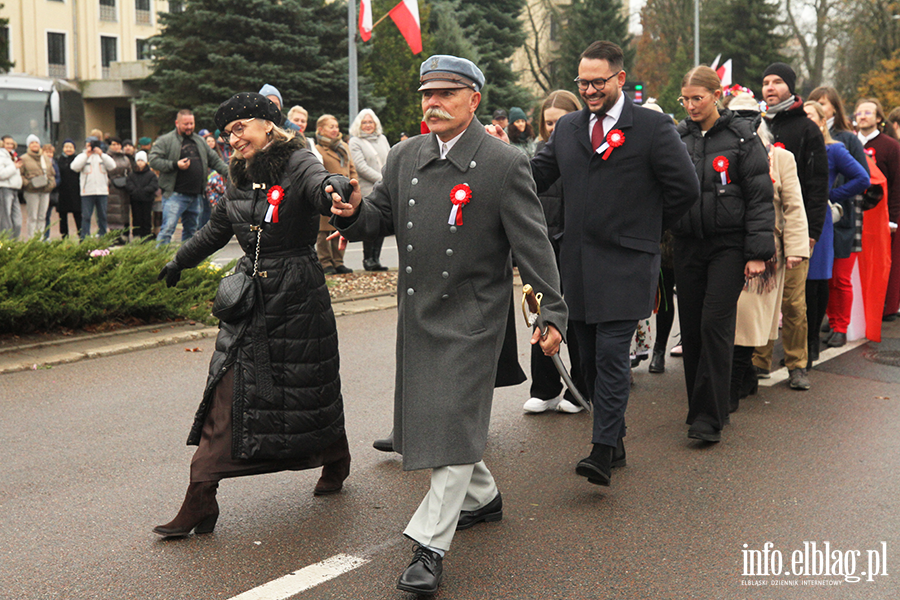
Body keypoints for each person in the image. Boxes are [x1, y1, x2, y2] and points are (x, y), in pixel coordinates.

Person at [330, 55, 566, 596]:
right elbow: (379, 219)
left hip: (475, 316)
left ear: (474, 99)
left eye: (446, 94)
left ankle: (430, 547)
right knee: (444, 420)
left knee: (455, 418)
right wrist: (350, 215)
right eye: (426, 94)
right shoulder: (404, 154)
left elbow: (534, 246)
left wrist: (553, 311)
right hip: (418, 314)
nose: (432, 103)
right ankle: (482, 496)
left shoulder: (504, 162)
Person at [153, 92, 354, 538]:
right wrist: (179, 261)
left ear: (267, 124)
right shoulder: (238, 174)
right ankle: (201, 496)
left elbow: (320, 183)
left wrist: (333, 189)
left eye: (240, 128)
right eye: (227, 134)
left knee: (309, 387)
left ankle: (335, 458)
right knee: (228, 390)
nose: (233, 139)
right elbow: (217, 227)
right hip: (249, 299)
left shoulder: (298, 159)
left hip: (298, 294)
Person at [519, 41, 699, 482]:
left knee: (613, 356)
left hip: (627, 264)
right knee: (589, 358)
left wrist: (645, 230)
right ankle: (614, 438)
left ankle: (601, 450)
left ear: (620, 78)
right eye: (583, 83)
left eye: (598, 82)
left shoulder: (655, 128)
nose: (590, 90)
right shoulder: (568, 129)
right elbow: (533, 175)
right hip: (577, 266)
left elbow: (685, 190)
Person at [671, 67, 775, 442]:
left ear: (717, 95)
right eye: (685, 99)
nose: (691, 105)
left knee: (715, 325)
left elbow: (760, 198)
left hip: (728, 247)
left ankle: (709, 419)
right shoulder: (677, 137)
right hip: (687, 244)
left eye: (697, 98)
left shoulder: (742, 138)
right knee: (694, 328)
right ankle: (700, 407)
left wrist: (758, 252)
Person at [729, 93, 809, 410]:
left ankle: (736, 381)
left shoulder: (780, 158)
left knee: (748, 320)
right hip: (728, 247)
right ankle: (743, 374)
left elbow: (794, 205)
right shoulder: (722, 152)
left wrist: (796, 248)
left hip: (765, 251)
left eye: (750, 116)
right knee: (730, 317)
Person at [753, 62, 829, 391]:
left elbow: (816, 187)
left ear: (791, 87)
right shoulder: (754, 125)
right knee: (761, 300)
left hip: (795, 233)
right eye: (766, 82)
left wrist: (810, 234)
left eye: (777, 82)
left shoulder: (807, 129)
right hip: (762, 233)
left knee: (794, 304)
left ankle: (798, 363)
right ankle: (757, 361)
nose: (770, 88)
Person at [524, 89, 586, 414]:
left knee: (575, 320)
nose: (552, 129)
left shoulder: (584, 154)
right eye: (548, 123)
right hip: (544, 248)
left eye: (559, 122)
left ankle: (580, 388)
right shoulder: (538, 155)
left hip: (575, 248)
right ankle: (545, 387)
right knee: (540, 316)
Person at [802, 101, 870, 365]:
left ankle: (812, 345)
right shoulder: (797, 147)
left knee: (817, 282)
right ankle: (799, 344)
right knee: (797, 286)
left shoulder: (834, 149)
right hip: (795, 220)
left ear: (821, 121)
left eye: (810, 116)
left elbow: (862, 179)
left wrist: (829, 196)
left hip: (821, 221)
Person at [150, 109, 229, 245]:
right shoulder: (166, 140)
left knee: (191, 233)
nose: (189, 127)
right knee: (167, 230)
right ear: (177, 123)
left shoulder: (200, 141)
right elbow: (153, 160)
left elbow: (215, 160)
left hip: (196, 195)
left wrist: (231, 174)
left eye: (191, 123)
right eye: (185, 124)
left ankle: (187, 263)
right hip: (175, 195)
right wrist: (175, 165)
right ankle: (158, 262)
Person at [855, 98, 900, 321]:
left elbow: (897, 184)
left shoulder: (891, 146)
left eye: (868, 112)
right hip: (853, 214)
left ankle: (886, 307)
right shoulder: (847, 143)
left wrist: (893, 218)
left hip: (882, 216)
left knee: (882, 263)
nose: (862, 116)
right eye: (859, 112)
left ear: (879, 118)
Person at [349, 108, 391, 271]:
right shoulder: (355, 141)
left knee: (382, 224)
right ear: (359, 125)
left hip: (384, 188)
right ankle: (368, 259)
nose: (368, 125)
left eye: (370, 122)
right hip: (367, 189)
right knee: (370, 224)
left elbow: (389, 158)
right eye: (364, 122)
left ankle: (376, 259)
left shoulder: (382, 139)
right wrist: (382, 179)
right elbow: (360, 166)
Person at [316, 114, 356, 275]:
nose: (335, 130)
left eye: (336, 126)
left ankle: (338, 261)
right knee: (324, 230)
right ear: (321, 129)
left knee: (341, 228)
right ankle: (325, 262)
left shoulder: (343, 147)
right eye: (330, 127)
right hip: (328, 195)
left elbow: (351, 168)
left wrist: (353, 185)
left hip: (345, 194)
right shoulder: (318, 149)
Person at [71, 138, 116, 239]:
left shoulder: (103, 157)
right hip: (87, 192)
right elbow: (74, 167)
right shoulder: (82, 156)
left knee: (103, 216)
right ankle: (84, 238)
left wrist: (102, 154)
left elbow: (112, 166)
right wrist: (86, 155)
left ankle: (103, 236)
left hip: (102, 191)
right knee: (86, 216)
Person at [20, 134, 56, 238]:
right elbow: (20, 175)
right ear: (28, 145)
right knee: (33, 217)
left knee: (42, 217)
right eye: (32, 143)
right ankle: (31, 239)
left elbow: (52, 174)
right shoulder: (23, 158)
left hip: (45, 191)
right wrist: (28, 184)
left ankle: (40, 239)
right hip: (31, 192)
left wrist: (51, 185)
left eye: (36, 142)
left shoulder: (45, 158)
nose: (34, 144)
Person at [125, 151, 159, 240]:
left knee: (146, 218)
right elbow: (129, 184)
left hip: (147, 200)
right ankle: (136, 235)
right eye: (138, 160)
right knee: (136, 218)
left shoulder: (151, 174)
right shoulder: (132, 174)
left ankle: (146, 235)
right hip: (135, 199)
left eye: (142, 160)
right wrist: (135, 191)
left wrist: (144, 191)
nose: (140, 163)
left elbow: (154, 185)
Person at [106, 137, 133, 242]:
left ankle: (124, 235)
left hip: (123, 188)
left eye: (118, 144)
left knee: (124, 211)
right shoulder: (106, 157)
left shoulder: (125, 158)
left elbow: (129, 171)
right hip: (111, 188)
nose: (116, 146)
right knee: (113, 213)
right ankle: (114, 236)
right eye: (113, 144)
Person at [55, 140, 81, 239]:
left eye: (70, 147)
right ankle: (64, 235)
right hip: (62, 192)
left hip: (75, 191)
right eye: (66, 147)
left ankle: (81, 234)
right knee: (62, 216)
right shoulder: (59, 160)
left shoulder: (78, 159)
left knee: (78, 214)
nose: (68, 149)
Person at [0, 135, 23, 238]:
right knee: (6, 219)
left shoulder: (13, 155)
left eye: (11, 143)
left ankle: (14, 243)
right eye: (7, 143)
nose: (10, 145)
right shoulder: (1, 156)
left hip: (15, 190)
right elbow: (1, 174)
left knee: (17, 221)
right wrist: (14, 166)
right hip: (4, 189)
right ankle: (6, 243)